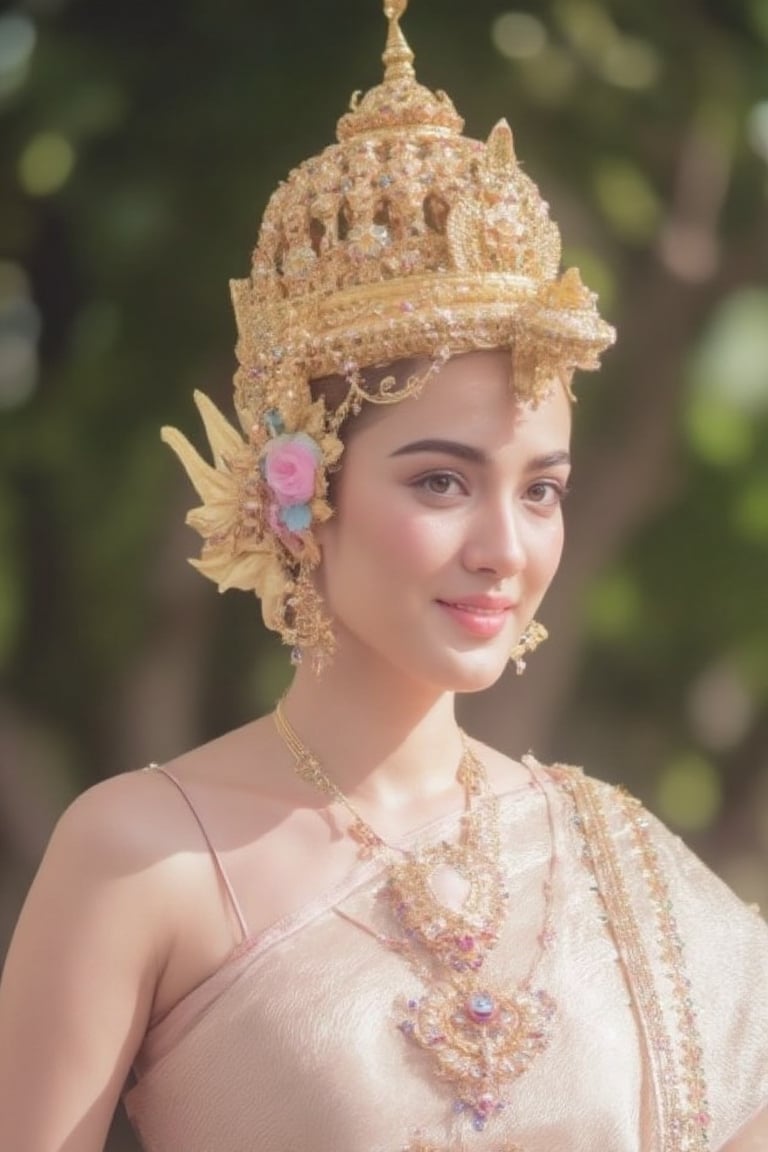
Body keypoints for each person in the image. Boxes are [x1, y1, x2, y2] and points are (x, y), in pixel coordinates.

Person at [1, 3, 766, 1150]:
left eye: (541, 489)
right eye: (442, 483)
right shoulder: (142, 857)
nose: (506, 546)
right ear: (298, 492)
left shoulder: (617, 862)